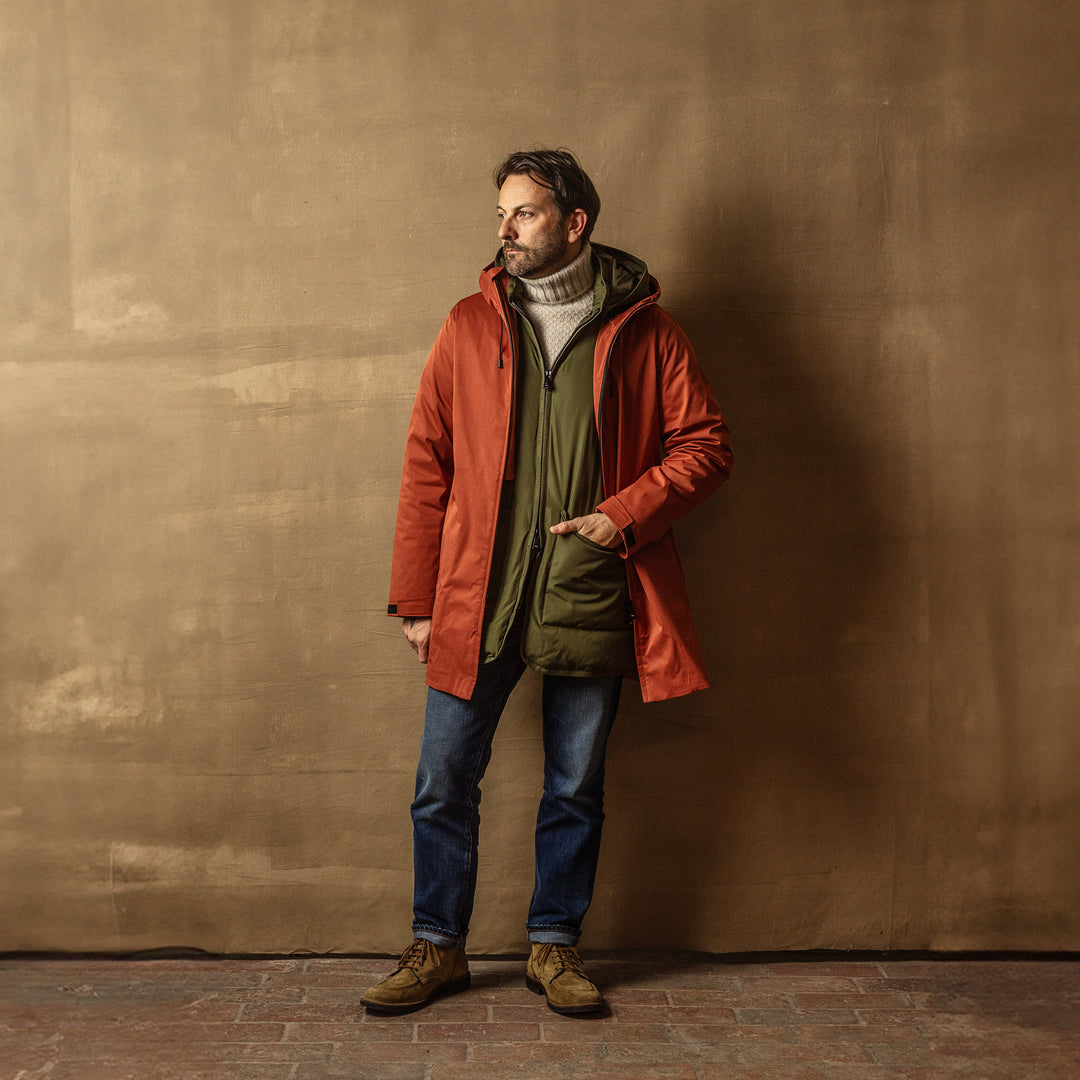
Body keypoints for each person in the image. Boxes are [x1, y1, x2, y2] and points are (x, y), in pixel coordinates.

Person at [361, 148, 732, 1016]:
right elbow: (427, 464)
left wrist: (622, 515)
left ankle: (554, 947)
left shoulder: (647, 332)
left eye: (523, 213)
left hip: (590, 587)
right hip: (476, 592)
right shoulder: (468, 325)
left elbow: (705, 445)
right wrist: (416, 598)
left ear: (575, 222)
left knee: (574, 787)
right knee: (442, 784)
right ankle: (437, 946)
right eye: (502, 213)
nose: (505, 229)